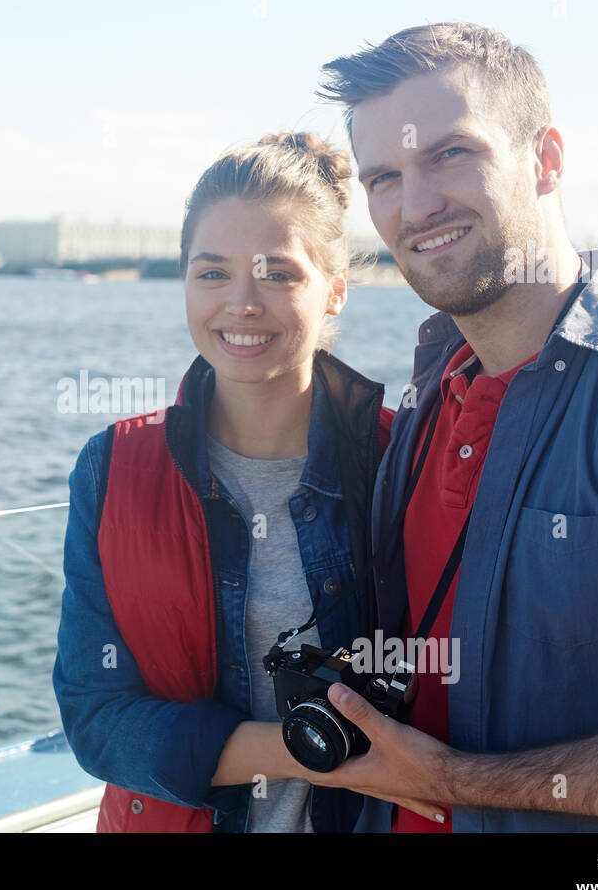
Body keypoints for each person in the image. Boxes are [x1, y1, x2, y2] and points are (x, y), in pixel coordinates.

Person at [308, 21, 598, 831]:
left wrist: (457, 779)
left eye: (452, 153)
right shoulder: (430, 390)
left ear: (546, 159)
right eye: (383, 175)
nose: (415, 205)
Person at [51, 131, 421, 832]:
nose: (241, 304)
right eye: (212, 272)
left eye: (278, 274)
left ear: (335, 287)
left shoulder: (403, 460)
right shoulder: (112, 470)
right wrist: (301, 749)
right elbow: (96, 718)